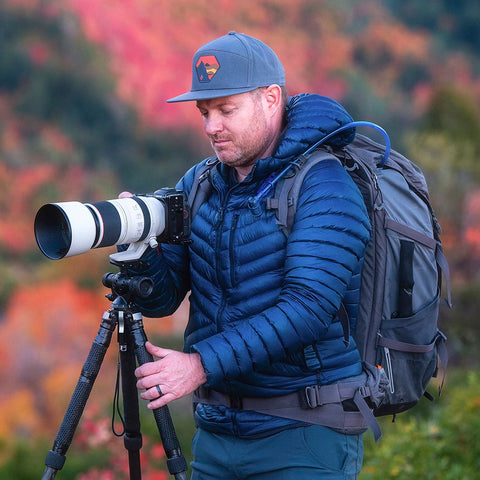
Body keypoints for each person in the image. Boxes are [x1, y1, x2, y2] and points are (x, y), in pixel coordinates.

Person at [131, 31, 372, 479]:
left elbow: (308, 309)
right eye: (205, 112)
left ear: (271, 99)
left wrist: (201, 366)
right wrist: (139, 251)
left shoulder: (324, 184)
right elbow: (164, 298)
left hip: (305, 432)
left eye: (226, 110)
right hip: (218, 434)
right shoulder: (202, 183)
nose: (211, 127)